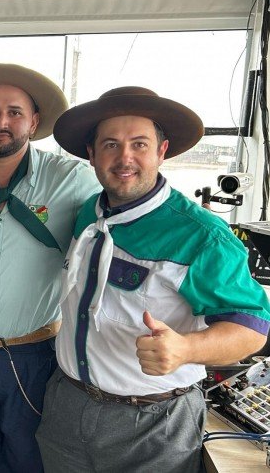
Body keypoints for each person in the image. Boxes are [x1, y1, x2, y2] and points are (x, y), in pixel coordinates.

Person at [36, 86, 270, 472]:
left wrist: (185, 349)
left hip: (152, 422)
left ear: (162, 151)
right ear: (92, 154)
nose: (124, 157)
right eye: (110, 144)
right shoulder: (85, 215)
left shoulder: (202, 237)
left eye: (139, 144)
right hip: (67, 404)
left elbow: (251, 328)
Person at [0, 63, 100, 472]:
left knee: (32, 458)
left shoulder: (73, 180)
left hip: (36, 355)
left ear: (35, 121)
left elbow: (127, 216)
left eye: (14, 112)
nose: (2, 121)